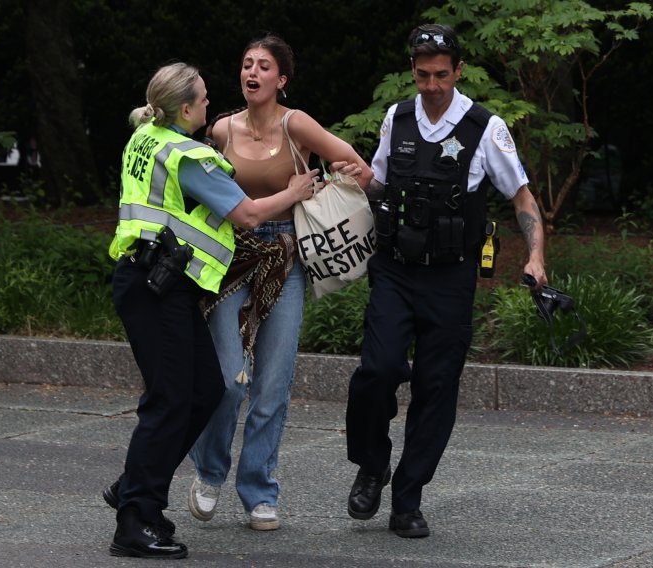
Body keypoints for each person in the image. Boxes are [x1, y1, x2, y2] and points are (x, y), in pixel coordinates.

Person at [106, 61, 317, 559]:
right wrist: (295, 191)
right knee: (170, 399)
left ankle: (136, 481)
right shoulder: (188, 157)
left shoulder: (146, 135)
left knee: (204, 390)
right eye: (201, 99)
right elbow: (246, 212)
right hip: (156, 287)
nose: (209, 104)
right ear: (184, 109)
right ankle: (135, 520)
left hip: (159, 284)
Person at [345, 24, 547, 539]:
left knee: (437, 388)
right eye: (421, 74)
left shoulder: (485, 127)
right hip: (394, 268)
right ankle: (372, 465)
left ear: (458, 71)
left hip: (450, 278)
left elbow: (522, 198)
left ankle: (407, 500)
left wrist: (536, 257)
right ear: (412, 71)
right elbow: (379, 183)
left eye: (440, 74)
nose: (431, 85)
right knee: (377, 369)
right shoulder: (398, 117)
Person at [186, 34, 373, 531]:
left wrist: (337, 180)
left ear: (281, 79)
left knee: (272, 384)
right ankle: (208, 473)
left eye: (263, 66)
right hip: (229, 259)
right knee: (227, 380)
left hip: (286, 260)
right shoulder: (221, 129)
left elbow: (356, 163)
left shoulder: (297, 124)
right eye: (246, 64)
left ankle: (259, 492)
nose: (252, 72)